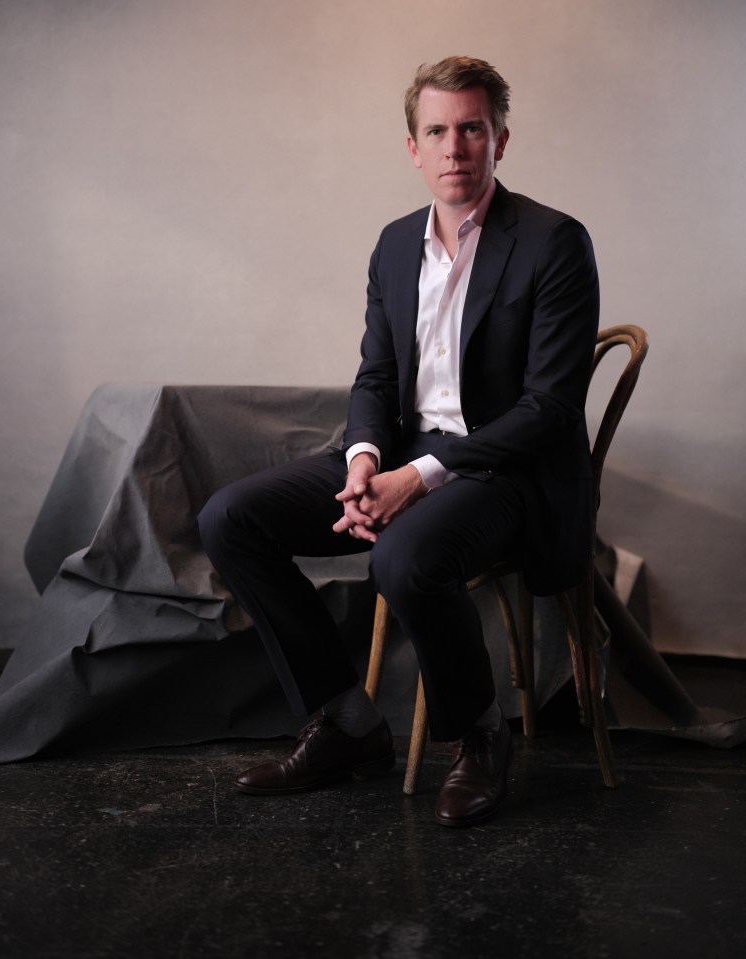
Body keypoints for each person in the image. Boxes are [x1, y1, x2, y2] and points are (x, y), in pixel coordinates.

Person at [198, 56, 599, 828]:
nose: (456, 148)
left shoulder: (553, 241)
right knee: (229, 517)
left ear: (500, 140)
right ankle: (345, 722)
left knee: (402, 556)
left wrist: (418, 475)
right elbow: (375, 378)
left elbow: (548, 408)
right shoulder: (392, 246)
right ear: (412, 147)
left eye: (472, 129)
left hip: (507, 472)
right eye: (438, 131)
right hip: (407, 455)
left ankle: (480, 737)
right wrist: (363, 463)